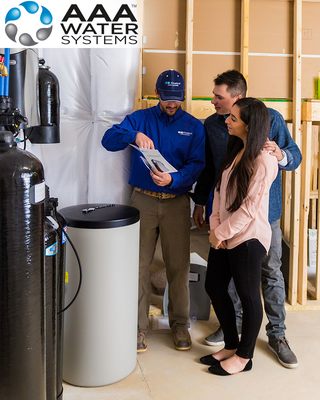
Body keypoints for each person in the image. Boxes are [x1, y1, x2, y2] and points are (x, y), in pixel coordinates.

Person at [192, 70, 302, 368]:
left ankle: (276, 335)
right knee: (227, 283)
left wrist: (279, 154)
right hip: (226, 217)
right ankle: (235, 336)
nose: (213, 100)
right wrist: (205, 207)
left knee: (268, 275)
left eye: (218, 96)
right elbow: (212, 171)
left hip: (263, 218)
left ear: (237, 98)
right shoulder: (215, 126)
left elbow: (294, 157)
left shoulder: (270, 119)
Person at [101, 69, 205, 353]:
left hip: (177, 201)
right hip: (143, 201)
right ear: (158, 94)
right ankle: (137, 328)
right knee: (138, 265)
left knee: (178, 266)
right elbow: (108, 140)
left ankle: (180, 324)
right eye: (167, 98)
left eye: (176, 99)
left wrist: (175, 179)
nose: (172, 104)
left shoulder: (194, 126)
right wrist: (133, 135)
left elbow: (197, 164)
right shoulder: (140, 118)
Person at [200, 97, 278, 375]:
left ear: (249, 124)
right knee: (214, 286)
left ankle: (245, 357)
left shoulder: (265, 160)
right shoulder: (235, 149)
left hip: (249, 238)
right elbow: (219, 192)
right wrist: (215, 226)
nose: (227, 120)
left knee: (248, 295)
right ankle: (231, 345)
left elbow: (249, 209)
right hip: (224, 233)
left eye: (233, 118)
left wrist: (221, 232)